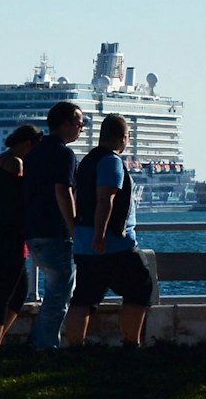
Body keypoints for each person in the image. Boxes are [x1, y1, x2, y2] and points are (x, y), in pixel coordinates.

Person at [64, 115, 152, 348]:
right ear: (123, 138)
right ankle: (130, 343)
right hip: (112, 244)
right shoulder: (111, 161)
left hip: (84, 243)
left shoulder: (87, 162)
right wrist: (100, 235)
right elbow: (106, 199)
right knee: (141, 288)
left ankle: (74, 346)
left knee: (83, 296)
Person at [21, 101, 84, 350]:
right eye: (79, 124)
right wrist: (74, 229)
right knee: (59, 296)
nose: (81, 129)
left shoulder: (34, 152)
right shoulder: (64, 153)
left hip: (33, 231)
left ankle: (38, 341)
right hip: (55, 233)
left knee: (53, 292)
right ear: (66, 124)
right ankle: (44, 346)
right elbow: (63, 191)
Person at [0, 125, 42, 350]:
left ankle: (0, 338)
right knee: (5, 294)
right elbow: (19, 199)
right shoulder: (17, 163)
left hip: (2, 234)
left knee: (19, 291)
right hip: (11, 237)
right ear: (28, 144)